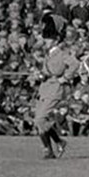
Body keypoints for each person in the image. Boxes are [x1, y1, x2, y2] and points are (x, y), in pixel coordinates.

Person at [33, 19, 79, 159]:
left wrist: (65, 78)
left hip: (56, 89)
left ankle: (51, 148)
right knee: (39, 120)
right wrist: (40, 74)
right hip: (45, 87)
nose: (45, 41)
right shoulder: (49, 54)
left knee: (40, 119)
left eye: (48, 38)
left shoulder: (61, 53)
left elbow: (75, 64)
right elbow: (48, 71)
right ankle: (55, 146)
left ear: (55, 40)